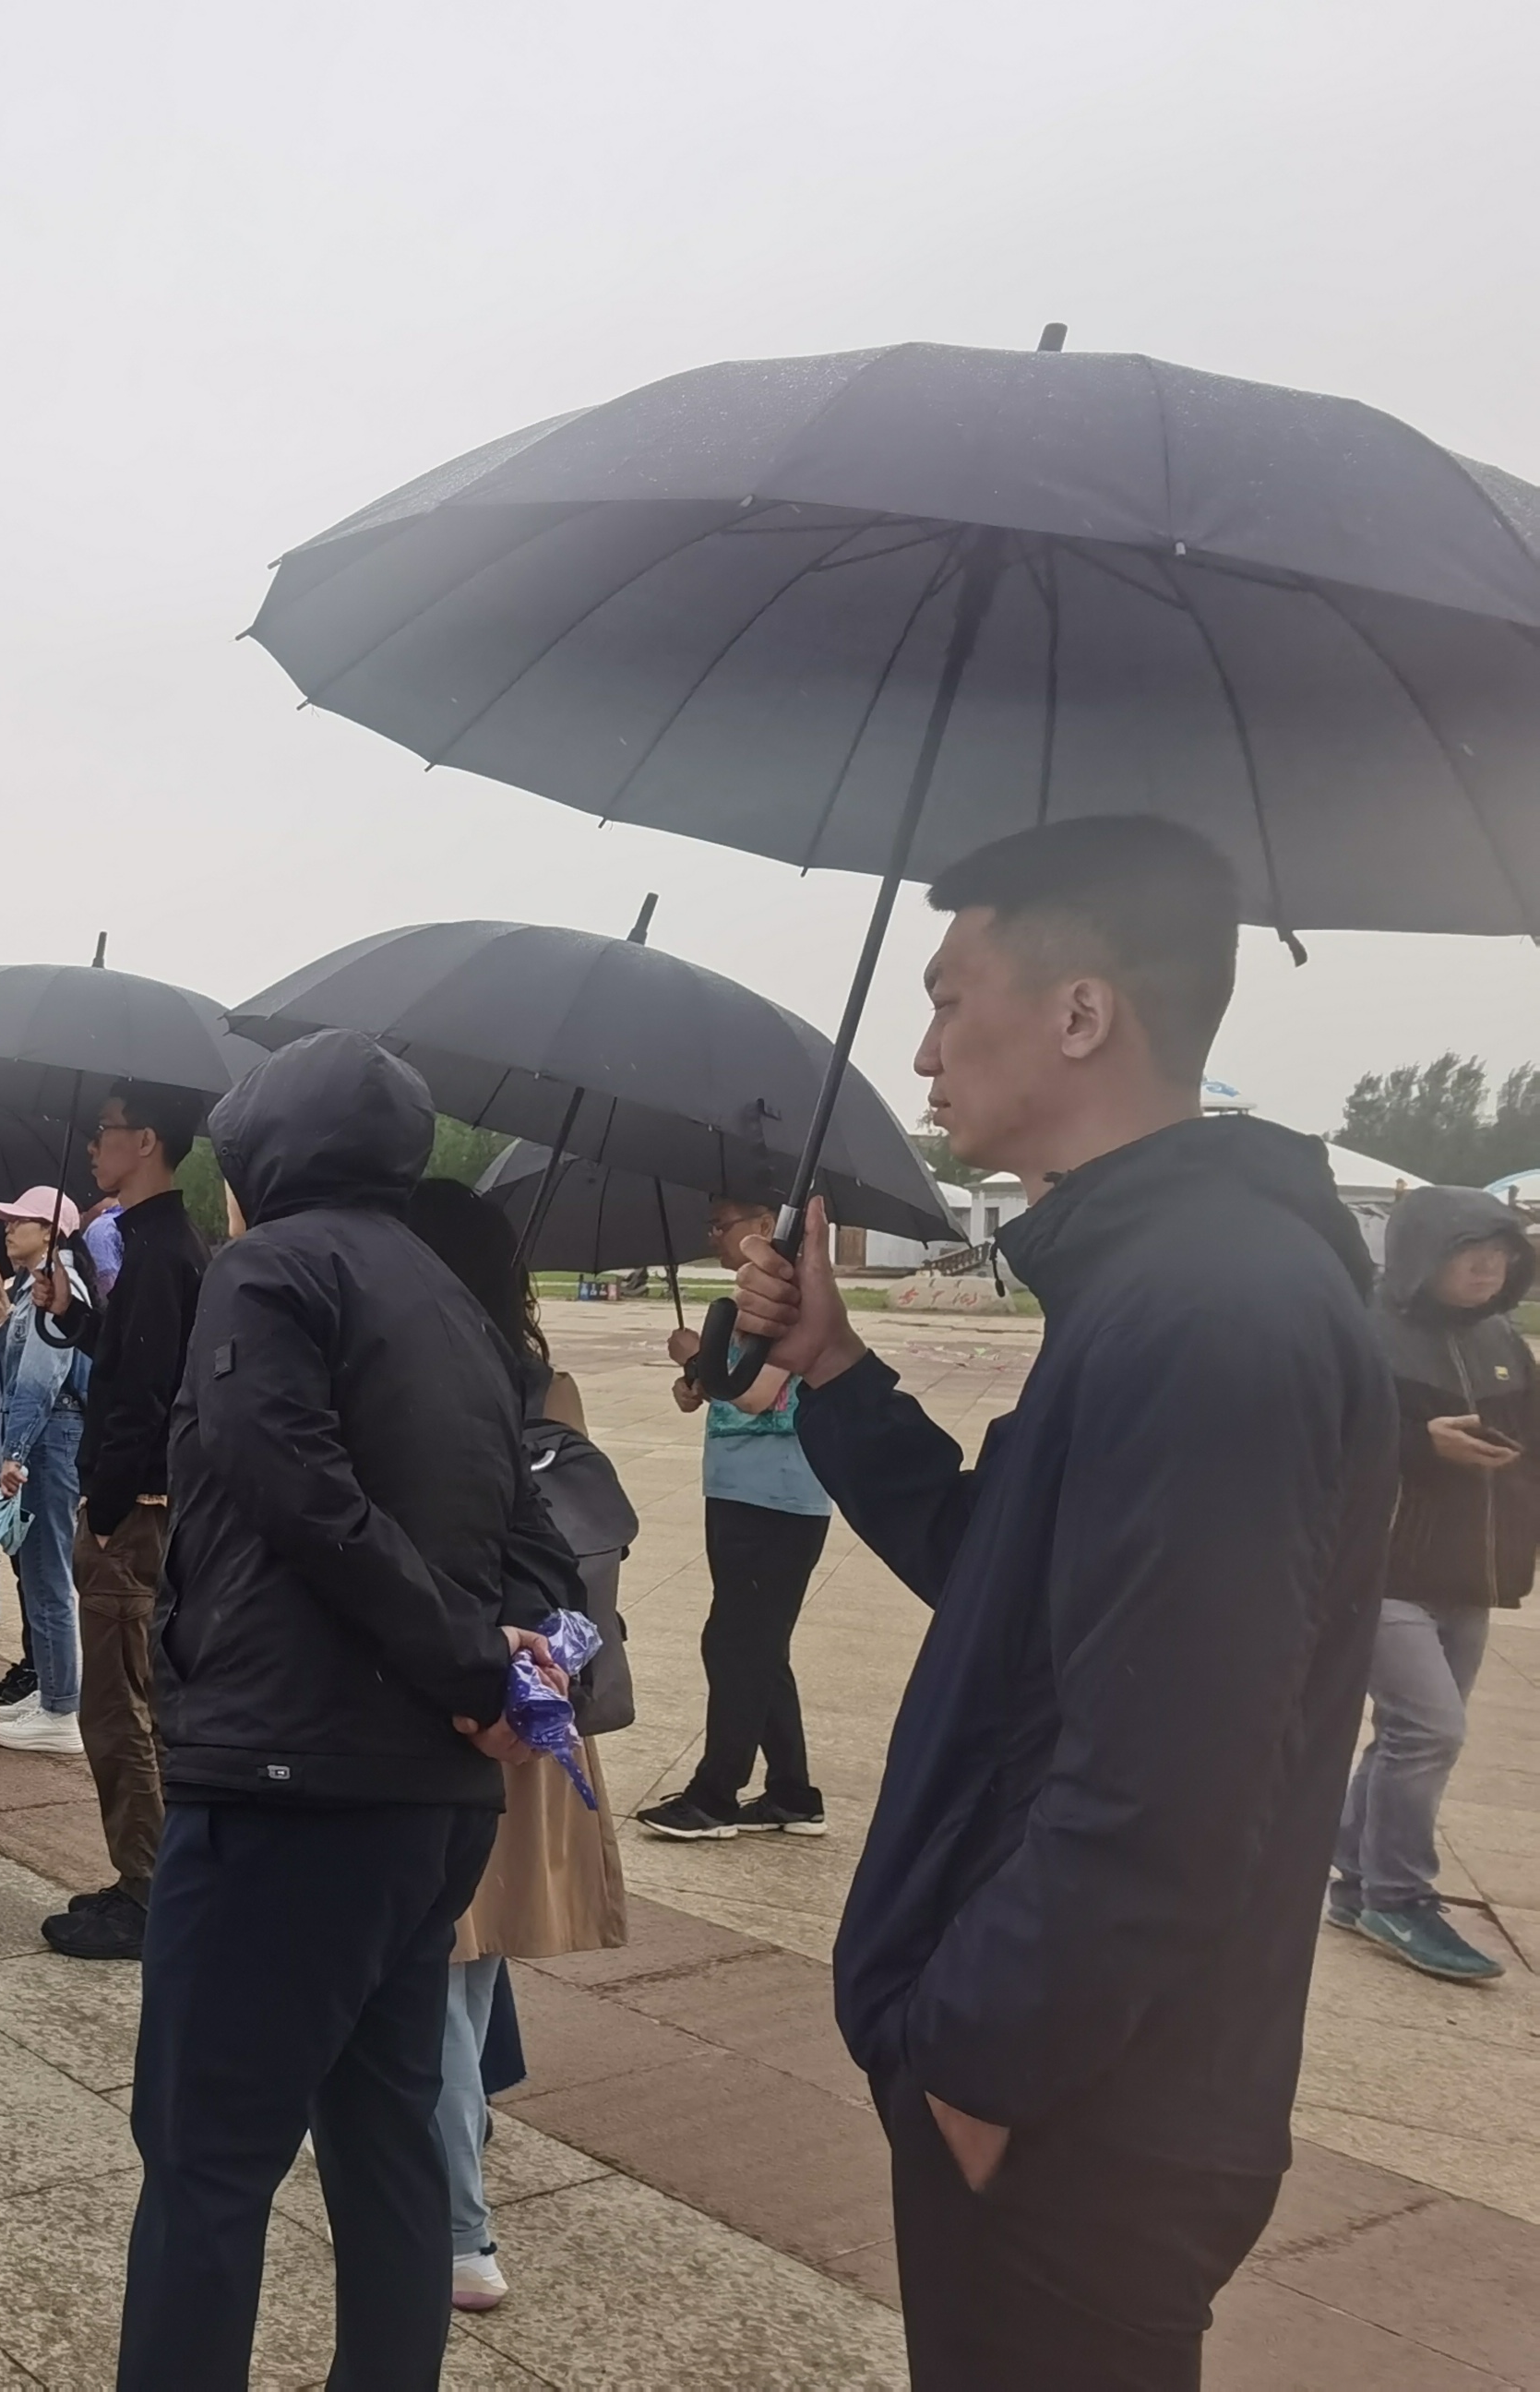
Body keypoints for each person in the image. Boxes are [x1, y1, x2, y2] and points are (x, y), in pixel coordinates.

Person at [731, 815, 1398, 2389]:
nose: (924, 1048)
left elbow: (1172, 1778)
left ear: (1083, 1012)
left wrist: (977, 2065)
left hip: (1081, 2114)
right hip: (1074, 2091)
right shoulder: (1156, 1284)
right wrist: (837, 1370)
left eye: (952, 999)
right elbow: (1013, 1596)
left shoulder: (1212, 1309)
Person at [117, 1031, 568, 2388]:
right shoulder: (455, 1301)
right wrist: (522, 1676)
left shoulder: (272, 1267)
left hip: (287, 1782)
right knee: (387, 2140)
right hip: (428, 1805)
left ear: (264, 1157)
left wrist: (470, 1667)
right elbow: (541, 1547)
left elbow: (286, 1479)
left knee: (205, 2159)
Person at [404, 1176, 629, 2319]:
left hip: (461, 1710)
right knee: (475, 1959)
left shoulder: (425, 1391)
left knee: (432, 1975)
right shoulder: (551, 1389)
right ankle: (465, 2150)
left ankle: (457, 2229)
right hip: (542, 1709)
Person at [1331, 1186, 1534, 1982]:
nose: (1489, 1269)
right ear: (1421, 1255)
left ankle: (1356, 1883)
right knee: (1429, 1731)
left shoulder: (1502, 1338)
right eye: (1469, 1253)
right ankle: (1401, 1896)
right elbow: (1317, 1434)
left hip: (1471, 1574)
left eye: (1502, 1254)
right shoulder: (1363, 1330)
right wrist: (1417, 1443)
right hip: (1383, 1568)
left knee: (1405, 1732)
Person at [31, 1081, 211, 1961]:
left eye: (106, 1131)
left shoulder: (158, 1249)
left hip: (134, 1511)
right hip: (146, 1503)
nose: (94, 1146)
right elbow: (136, 1360)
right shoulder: (162, 1244)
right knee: (137, 1702)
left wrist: (103, 1509)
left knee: (118, 1710)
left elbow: (143, 1398)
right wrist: (75, 1316)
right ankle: (155, 1878)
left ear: (145, 1142)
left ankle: (147, 1891)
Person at [636, 1196, 834, 1839]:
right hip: (736, 1495)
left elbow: (755, 1395)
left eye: (723, 1224)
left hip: (777, 1501)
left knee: (733, 1643)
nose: (714, 1234)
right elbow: (721, 1393)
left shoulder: (789, 1303)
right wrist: (695, 1383)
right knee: (758, 1645)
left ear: (764, 1227)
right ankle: (793, 1795)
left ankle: (715, 1796)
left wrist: (697, 1359)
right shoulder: (748, 1308)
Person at [0, 1188, 89, 1757]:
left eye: (19, 1220)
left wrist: (15, 1453)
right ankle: (52, 1687)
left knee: (47, 1575)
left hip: (50, 1438)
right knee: (40, 1572)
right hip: (48, 1436)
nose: (8, 1228)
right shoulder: (33, 1287)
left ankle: (62, 1709)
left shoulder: (56, 1287)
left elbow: (41, 1379)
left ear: (50, 1230)